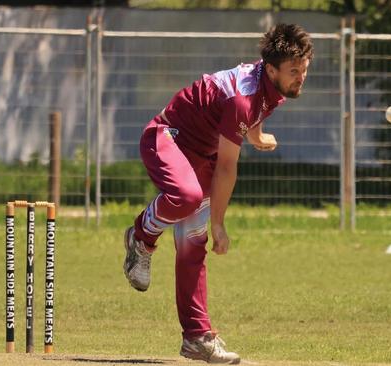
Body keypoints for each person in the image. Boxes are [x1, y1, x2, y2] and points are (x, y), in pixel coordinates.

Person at [122, 23, 313, 364]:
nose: (301, 77)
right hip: (166, 138)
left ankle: (197, 338)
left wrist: (256, 137)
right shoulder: (244, 97)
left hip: (201, 155)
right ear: (271, 69)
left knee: (193, 242)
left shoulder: (271, 86)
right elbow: (227, 166)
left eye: (304, 68)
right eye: (294, 71)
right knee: (187, 196)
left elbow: (251, 114)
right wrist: (220, 224)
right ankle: (141, 236)